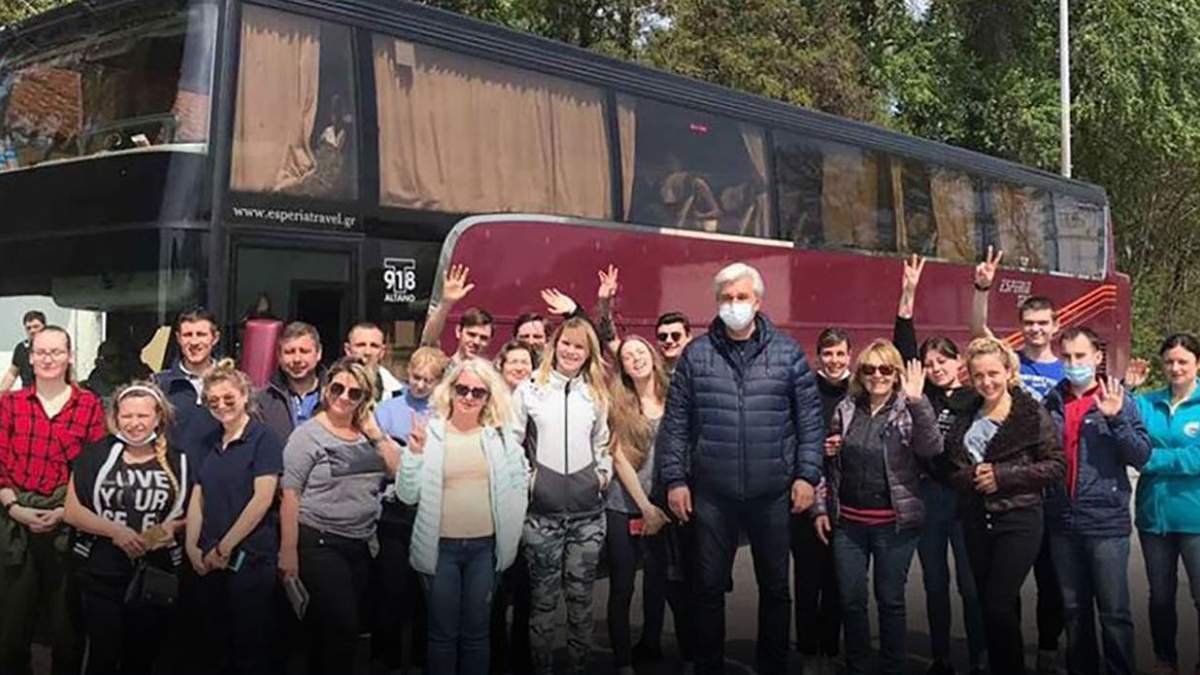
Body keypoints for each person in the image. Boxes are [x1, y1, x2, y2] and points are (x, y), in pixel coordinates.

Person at [657, 262, 824, 675]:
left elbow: (809, 422)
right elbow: (676, 424)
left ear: (758, 301)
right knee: (708, 588)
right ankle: (708, 666)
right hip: (713, 495)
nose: (734, 305)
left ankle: (773, 665)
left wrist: (806, 476)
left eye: (742, 297)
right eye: (727, 298)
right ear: (717, 302)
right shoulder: (697, 355)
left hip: (773, 493)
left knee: (776, 588)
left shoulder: (787, 354)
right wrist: (675, 480)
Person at [812, 340, 941, 675]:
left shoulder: (908, 407)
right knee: (851, 600)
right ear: (860, 374)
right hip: (848, 524)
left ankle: (892, 665)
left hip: (893, 525)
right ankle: (857, 664)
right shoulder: (847, 408)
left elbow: (931, 448)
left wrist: (918, 402)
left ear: (896, 373)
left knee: (890, 600)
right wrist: (821, 508)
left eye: (885, 369)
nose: (877, 376)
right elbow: (828, 466)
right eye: (869, 369)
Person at [397, 357, 529, 675]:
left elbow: (518, 487)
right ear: (450, 390)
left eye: (478, 392)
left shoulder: (500, 437)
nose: (468, 397)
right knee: (442, 634)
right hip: (440, 549)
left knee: (477, 634)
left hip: (486, 548)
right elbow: (406, 494)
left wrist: (510, 537)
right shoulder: (431, 433)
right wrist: (414, 453)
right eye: (462, 389)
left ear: (488, 397)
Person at [942, 337, 1065, 675]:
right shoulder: (965, 412)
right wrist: (971, 476)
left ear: (1009, 371)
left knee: (998, 603)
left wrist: (1003, 476)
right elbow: (950, 466)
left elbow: (1055, 465)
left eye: (993, 373)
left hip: (1019, 516)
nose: (987, 382)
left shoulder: (1030, 412)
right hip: (976, 518)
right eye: (979, 375)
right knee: (990, 604)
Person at [971, 247, 1065, 671]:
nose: (1035, 329)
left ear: (1055, 326)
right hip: (1012, 486)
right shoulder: (1009, 363)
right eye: (1029, 323)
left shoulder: (1067, 369)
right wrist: (982, 289)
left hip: (1050, 485)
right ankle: (1006, 653)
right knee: (1003, 589)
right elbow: (978, 334)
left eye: (1043, 323)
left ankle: (1047, 647)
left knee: (1050, 578)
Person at [279, 358, 401, 675]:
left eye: (355, 393)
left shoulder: (366, 434)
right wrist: (288, 552)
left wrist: (375, 433)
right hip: (319, 541)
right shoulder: (308, 435)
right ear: (326, 389)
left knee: (329, 634)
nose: (344, 397)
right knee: (343, 628)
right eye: (338, 388)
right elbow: (290, 494)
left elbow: (396, 470)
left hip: (360, 543)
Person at [893, 255, 986, 675]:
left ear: (957, 361)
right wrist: (908, 297)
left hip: (966, 500)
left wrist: (981, 291)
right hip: (929, 498)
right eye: (929, 364)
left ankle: (980, 655)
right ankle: (941, 656)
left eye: (942, 361)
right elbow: (904, 348)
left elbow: (989, 348)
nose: (935, 368)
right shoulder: (922, 395)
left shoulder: (975, 396)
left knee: (971, 585)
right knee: (934, 584)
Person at [1042, 327, 1150, 675]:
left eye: (1080, 356)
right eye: (1067, 357)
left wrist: (1116, 419)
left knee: (1114, 613)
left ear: (1097, 357)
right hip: (1062, 522)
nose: (1073, 363)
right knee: (1074, 610)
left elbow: (1141, 455)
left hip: (1105, 523)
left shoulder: (1119, 398)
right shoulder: (1051, 402)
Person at [0, 325, 107, 675]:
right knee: (11, 630)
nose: (48, 359)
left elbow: (94, 469)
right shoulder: (10, 404)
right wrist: (14, 507)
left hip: (68, 524)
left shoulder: (88, 405)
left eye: (56, 352)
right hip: (14, 522)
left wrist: (65, 511)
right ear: (30, 358)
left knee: (67, 631)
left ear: (69, 356)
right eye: (41, 352)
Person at [64, 381, 189, 675]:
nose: (135, 423)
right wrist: (115, 532)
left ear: (158, 417)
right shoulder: (95, 455)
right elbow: (72, 511)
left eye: (142, 416)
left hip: (154, 574)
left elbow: (190, 513)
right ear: (116, 418)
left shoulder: (179, 459)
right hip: (102, 571)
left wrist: (167, 531)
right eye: (127, 416)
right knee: (102, 655)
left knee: (141, 658)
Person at [510, 316, 611, 675]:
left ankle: (579, 668)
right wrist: (529, 481)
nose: (571, 351)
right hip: (542, 517)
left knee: (582, 604)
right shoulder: (529, 390)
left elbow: (603, 442)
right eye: (566, 343)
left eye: (579, 346)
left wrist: (602, 475)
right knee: (543, 603)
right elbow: (512, 440)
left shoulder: (596, 393)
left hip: (588, 517)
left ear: (588, 353)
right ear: (555, 345)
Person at [184, 359, 283, 675]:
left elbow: (262, 499)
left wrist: (225, 547)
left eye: (228, 398)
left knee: (249, 647)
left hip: (250, 558)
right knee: (214, 645)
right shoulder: (210, 441)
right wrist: (192, 547)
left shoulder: (264, 439)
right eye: (213, 401)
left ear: (244, 396)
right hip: (209, 558)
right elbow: (198, 495)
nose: (222, 406)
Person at [605, 335, 694, 675]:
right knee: (622, 587)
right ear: (623, 367)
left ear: (652, 357)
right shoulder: (618, 403)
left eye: (640, 352)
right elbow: (618, 458)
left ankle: (686, 656)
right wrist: (644, 507)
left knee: (671, 584)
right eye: (628, 356)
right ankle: (624, 664)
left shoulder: (676, 395)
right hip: (625, 505)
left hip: (669, 503)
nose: (636, 359)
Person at [373, 346, 449, 675]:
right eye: (416, 377)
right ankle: (386, 659)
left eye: (428, 381)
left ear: (439, 381)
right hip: (393, 509)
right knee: (391, 588)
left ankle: (421, 659)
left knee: (426, 593)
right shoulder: (389, 408)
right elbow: (378, 454)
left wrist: (402, 452)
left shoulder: (445, 411)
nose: (419, 385)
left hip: (431, 508)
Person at [1127, 333, 1200, 674]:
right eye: (1169, 361)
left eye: (1183, 361)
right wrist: (1128, 389)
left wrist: (1150, 459)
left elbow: (1195, 459)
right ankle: (1165, 659)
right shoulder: (1147, 402)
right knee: (1160, 596)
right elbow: (1123, 434)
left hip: (1194, 517)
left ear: (1197, 364)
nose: (1175, 368)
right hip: (1153, 517)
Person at [792, 326, 850, 672]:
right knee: (807, 578)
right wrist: (816, 450)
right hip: (806, 496)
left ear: (849, 355)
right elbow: (793, 435)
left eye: (840, 353)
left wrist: (845, 445)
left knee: (837, 580)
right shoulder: (805, 391)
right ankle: (807, 652)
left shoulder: (859, 390)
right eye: (828, 353)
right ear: (818, 356)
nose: (834, 360)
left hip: (846, 498)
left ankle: (829, 648)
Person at [155, 308, 223, 471]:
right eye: (187, 335)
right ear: (178, 338)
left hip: (221, 474)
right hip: (174, 475)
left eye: (201, 334)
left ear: (215, 338)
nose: (194, 342)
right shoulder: (159, 385)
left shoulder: (234, 383)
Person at [256, 321, 324, 443]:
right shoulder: (262, 401)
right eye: (289, 352)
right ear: (279, 356)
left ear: (318, 353)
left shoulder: (337, 396)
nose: (297, 359)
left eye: (304, 351)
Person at [419, 264, 495, 360]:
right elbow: (428, 341)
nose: (476, 341)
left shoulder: (491, 369)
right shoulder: (444, 366)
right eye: (471, 334)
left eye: (483, 338)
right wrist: (447, 303)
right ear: (458, 331)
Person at [344, 322, 404, 400]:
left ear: (382, 352)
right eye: (361, 345)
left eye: (374, 346)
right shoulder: (330, 390)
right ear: (348, 350)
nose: (367, 352)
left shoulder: (400, 395)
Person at [0, 309, 45, 391]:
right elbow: (12, 374)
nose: (32, 331)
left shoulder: (55, 346)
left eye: (36, 326)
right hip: (27, 394)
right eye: (28, 328)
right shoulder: (21, 348)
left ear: (44, 326)